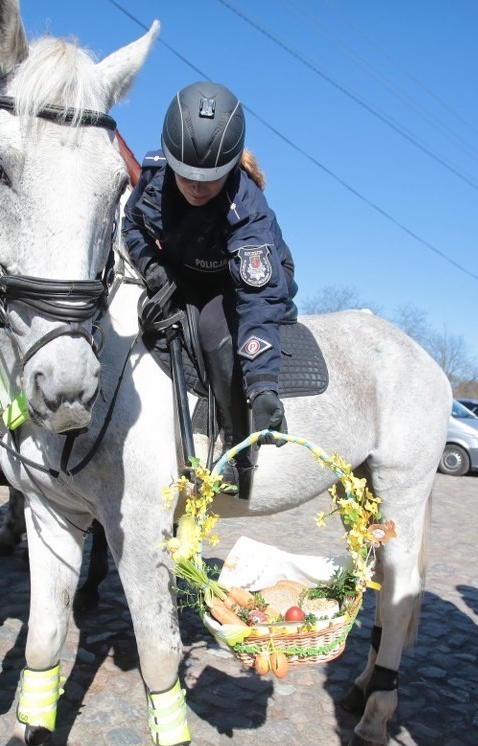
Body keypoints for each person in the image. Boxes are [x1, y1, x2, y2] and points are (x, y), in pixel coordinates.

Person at [122, 81, 297, 492]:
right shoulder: (153, 177)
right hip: (185, 270)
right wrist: (154, 271)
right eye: (186, 175)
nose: (196, 187)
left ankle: (239, 453)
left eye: (210, 179)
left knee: (214, 328)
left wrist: (263, 385)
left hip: (243, 282)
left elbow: (258, 296)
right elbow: (133, 226)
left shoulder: (249, 210)